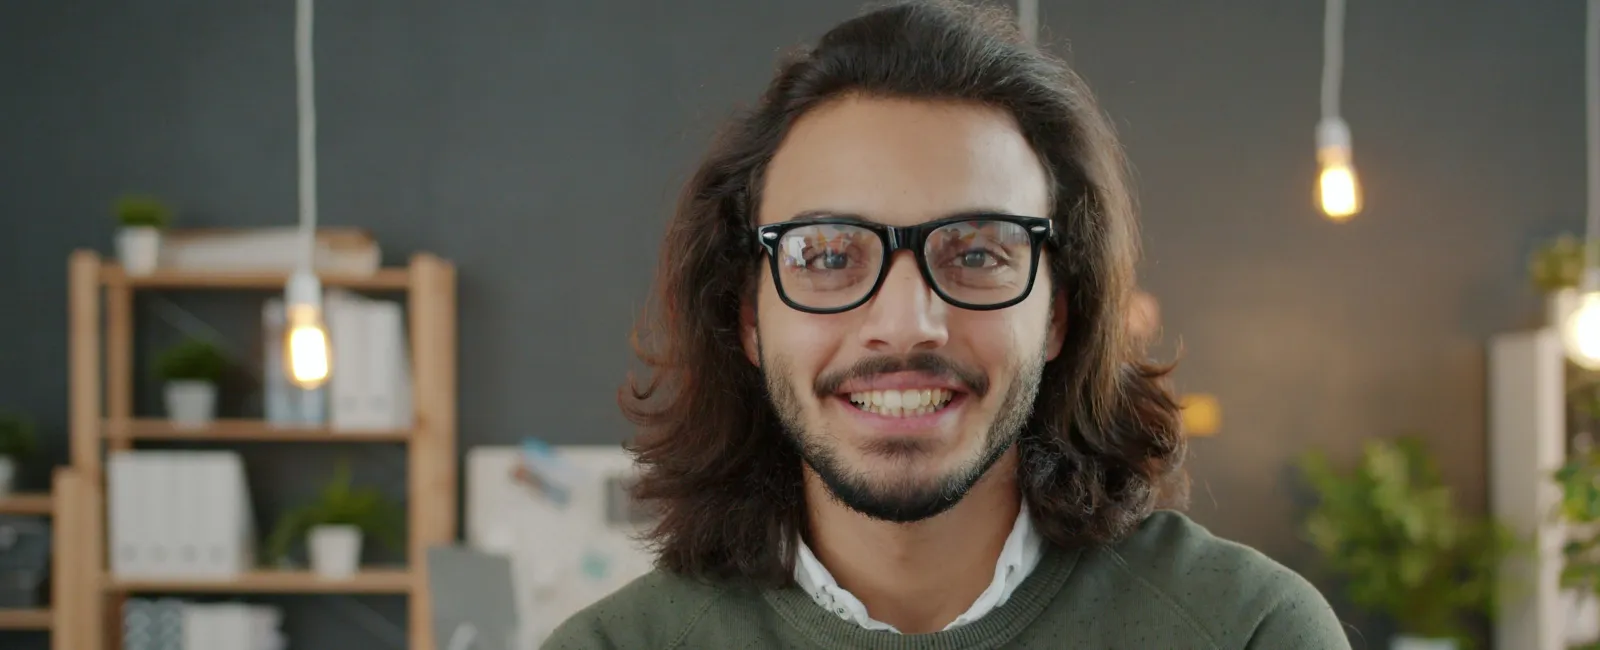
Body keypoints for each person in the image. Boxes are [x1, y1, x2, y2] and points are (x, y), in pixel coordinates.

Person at [543, 1, 1350, 648]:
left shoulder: (1249, 631)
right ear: (749, 318)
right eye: (827, 256)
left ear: (1059, 313)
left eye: (976, 253)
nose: (905, 324)